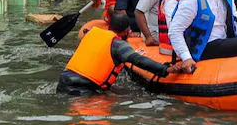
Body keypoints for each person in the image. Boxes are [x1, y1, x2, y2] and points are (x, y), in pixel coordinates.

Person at [56, 13, 187, 96]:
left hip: (63, 82)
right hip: (82, 90)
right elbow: (138, 60)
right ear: (127, 31)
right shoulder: (118, 45)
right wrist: (165, 69)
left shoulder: (92, 34)